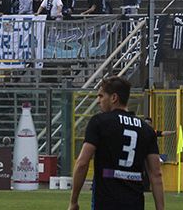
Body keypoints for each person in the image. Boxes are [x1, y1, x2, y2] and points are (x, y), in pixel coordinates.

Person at [68, 76, 163, 210]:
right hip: (134, 204)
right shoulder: (146, 129)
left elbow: (82, 163)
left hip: (106, 202)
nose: (98, 101)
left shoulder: (99, 122)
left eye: (101, 96)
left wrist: (74, 201)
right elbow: (156, 174)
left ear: (114, 98)